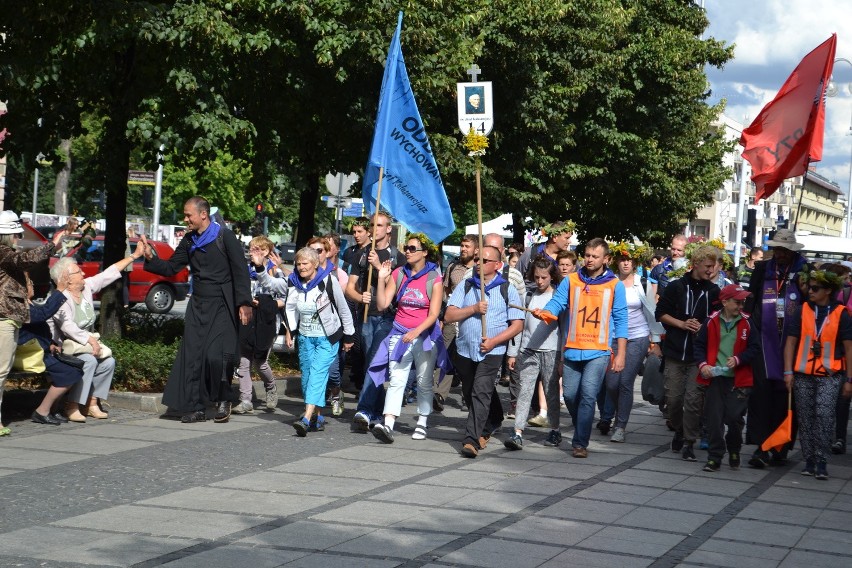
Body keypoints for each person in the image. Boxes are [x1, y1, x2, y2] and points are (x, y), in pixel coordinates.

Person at [140, 197, 252, 424]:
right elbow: (172, 267)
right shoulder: (190, 240)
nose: (185, 219)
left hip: (222, 302)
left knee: (217, 357)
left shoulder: (225, 236)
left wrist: (244, 303)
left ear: (203, 214)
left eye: (188, 215)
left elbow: (241, 271)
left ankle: (222, 400)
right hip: (198, 303)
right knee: (194, 358)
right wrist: (151, 258)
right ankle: (196, 407)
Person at [533, 238, 628, 458]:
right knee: (571, 396)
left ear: (606, 259)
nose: (590, 260)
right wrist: (546, 312)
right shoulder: (572, 280)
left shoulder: (615, 285)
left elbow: (622, 320)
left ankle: (580, 442)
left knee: (587, 395)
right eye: (587, 255)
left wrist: (621, 353)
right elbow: (557, 303)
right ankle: (582, 425)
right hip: (572, 349)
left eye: (595, 256)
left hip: (599, 350)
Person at [445, 245, 524, 458]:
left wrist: (494, 341)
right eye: (477, 259)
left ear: (498, 265)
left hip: (492, 351)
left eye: (485, 260)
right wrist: (473, 309)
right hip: (464, 349)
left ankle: (472, 439)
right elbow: (449, 316)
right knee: (472, 391)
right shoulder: (467, 285)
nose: (478, 263)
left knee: (481, 390)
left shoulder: (507, 289)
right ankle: (493, 417)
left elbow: (517, 324)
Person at [369, 233, 445, 443]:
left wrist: (416, 331)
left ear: (425, 253)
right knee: (396, 380)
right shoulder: (399, 273)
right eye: (406, 248)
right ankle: (388, 425)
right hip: (399, 333)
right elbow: (383, 305)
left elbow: (434, 314)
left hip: (425, 337)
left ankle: (422, 421)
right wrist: (381, 277)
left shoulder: (434, 279)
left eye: (412, 248)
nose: (408, 252)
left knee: (423, 382)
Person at [744, 229, 810, 468]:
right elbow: (751, 299)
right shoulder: (763, 269)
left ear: (793, 250)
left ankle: (780, 444)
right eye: (776, 249)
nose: (779, 254)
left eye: (784, 250)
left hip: (793, 342)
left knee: (785, 395)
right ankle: (761, 447)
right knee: (761, 393)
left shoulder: (805, 271)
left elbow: (811, 303)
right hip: (763, 339)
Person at [49, 251, 140, 421]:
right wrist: (90, 339)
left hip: (84, 344)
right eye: (78, 272)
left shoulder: (86, 287)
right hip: (65, 345)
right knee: (89, 361)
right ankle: (72, 405)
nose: (83, 273)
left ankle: (92, 403)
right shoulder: (60, 298)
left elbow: (109, 274)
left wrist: (134, 256)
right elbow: (67, 326)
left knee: (108, 362)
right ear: (67, 279)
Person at [782, 270, 852, 480]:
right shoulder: (802, 310)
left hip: (831, 374)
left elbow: (849, 348)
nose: (809, 291)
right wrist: (787, 372)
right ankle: (809, 459)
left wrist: (849, 379)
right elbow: (791, 343)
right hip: (803, 373)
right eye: (809, 287)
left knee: (824, 414)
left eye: (815, 288)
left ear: (828, 291)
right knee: (805, 417)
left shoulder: (842, 313)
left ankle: (822, 460)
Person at [1, 213, 65, 436]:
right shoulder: (4, 252)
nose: (19, 237)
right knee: (1, 372)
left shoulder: (7, 253)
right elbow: (23, 261)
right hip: (3, 319)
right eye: (17, 233)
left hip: (9, 318)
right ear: (7, 234)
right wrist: (51, 245)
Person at [655, 245, 721, 461]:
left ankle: (689, 442)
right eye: (708, 266)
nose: (711, 270)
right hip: (674, 353)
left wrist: (704, 326)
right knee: (673, 401)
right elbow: (660, 313)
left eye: (714, 266)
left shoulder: (714, 292)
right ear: (697, 263)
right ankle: (680, 430)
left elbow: (717, 321)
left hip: (697, 356)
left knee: (693, 401)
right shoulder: (676, 287)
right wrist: (682, 324)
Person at [284, 247, 354, 436]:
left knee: (317, 374)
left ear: (315, 264)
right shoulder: (295, 282)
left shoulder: (328, 280)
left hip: (327, 338)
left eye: (305, 263)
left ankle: (306, 418)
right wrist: (291, 329)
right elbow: (290, 307)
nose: (300, 267)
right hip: (305, 337)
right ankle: (317, 415)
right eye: (298, 264)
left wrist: (349, 335)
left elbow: (343, 308)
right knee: (307, 378)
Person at [346, 212, 406, 431]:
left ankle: (363, 410)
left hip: (387, 316)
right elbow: (349, 287)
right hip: (365, 316)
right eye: (372, 225)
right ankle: (378, 411)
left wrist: (380, 267)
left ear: (389, 228)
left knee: (375, 363)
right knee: (369, 364)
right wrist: (358, 296)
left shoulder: (397, 257)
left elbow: (398, 288)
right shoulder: (361, 255)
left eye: (380, 225)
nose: (375, 229)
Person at [693, 284, 760, 472]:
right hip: (715, 378)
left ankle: (734, 449)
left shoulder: (747, 322)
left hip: (739, 380)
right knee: (713, 419)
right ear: (725, 302)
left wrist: (739, 359)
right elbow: (699, 347)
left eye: (743, 302)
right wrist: (703, 365)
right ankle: (715, 456)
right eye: (738, 302)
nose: (741, 306)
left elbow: (755, 348)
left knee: (734, 417)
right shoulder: (710, 321)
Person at [603, 243, 664, 443]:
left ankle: (620, 425)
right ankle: (616, 414)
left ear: (635, 262)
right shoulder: (610, 282)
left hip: (637, 337)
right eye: (622, 259)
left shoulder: (642, 283)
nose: (626, 263)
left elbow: (652, 312)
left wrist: (655, 341)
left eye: (629, 259)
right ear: (616, 262)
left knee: (626, 381)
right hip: (613, 337)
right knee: (612, 383)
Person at [504, 258, 561, 450]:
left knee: (551, 392)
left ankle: (555, 429)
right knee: (524, 391)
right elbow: (519, 326)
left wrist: (562, 355)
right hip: (528, 350)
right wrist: (513, 353)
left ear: (552, 277)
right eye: (536, 277)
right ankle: (517, 431)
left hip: (551, 351)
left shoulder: (558, 297)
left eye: (544, 277)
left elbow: (563, 326)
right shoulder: (528, 296)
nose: (539, 281)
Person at [232, 236, 287, 414]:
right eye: (251, 248)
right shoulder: (246, 270)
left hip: (267, 321)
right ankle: (246, 399)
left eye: (257, 249)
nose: (252, 252)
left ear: (266, 252)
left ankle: (271, 387)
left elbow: (283, 300)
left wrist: (263, 304)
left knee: (260, 362)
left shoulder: (275, 271)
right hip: (248, 319)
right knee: (244, 361)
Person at [20, 275, 84, 425]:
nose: (32, 286)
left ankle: (52, 409)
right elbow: (42, 315)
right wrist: (60, 290)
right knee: (70, 372)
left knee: (75, 369)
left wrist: (50, 343)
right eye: (30, 284)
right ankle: (42, 411)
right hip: (30, 353)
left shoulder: (28, 303)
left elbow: (39, 326)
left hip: (41, 349)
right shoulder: (19, 305)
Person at [434, 234, 478, 412]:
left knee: (467, 359)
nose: (463, 249)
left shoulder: (481, 267)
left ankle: (467, 397)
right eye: (462, 245)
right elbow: (445, 293)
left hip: (472, 320)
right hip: (452, 318)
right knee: (444, 355)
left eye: (467, 246)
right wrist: (442, 318)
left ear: (476, 249)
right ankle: (438, 394)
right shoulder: (453, 266)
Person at [341, 217, 372, 390]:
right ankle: (355, 372)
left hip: (365, 302)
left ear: (369, 232)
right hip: (351, 298)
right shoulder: (350, 252)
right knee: (352, 336)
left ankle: (361, 379)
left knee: (362, 342)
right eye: (354, 232)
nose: (356, 235)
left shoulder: (372, 251)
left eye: (360, 231)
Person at [649, 234, 687, 298]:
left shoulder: (693, 270)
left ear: (686, 251)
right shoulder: (659, 269)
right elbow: (651, 298)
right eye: (673, 249)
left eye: (679, 250)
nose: (675, 253)